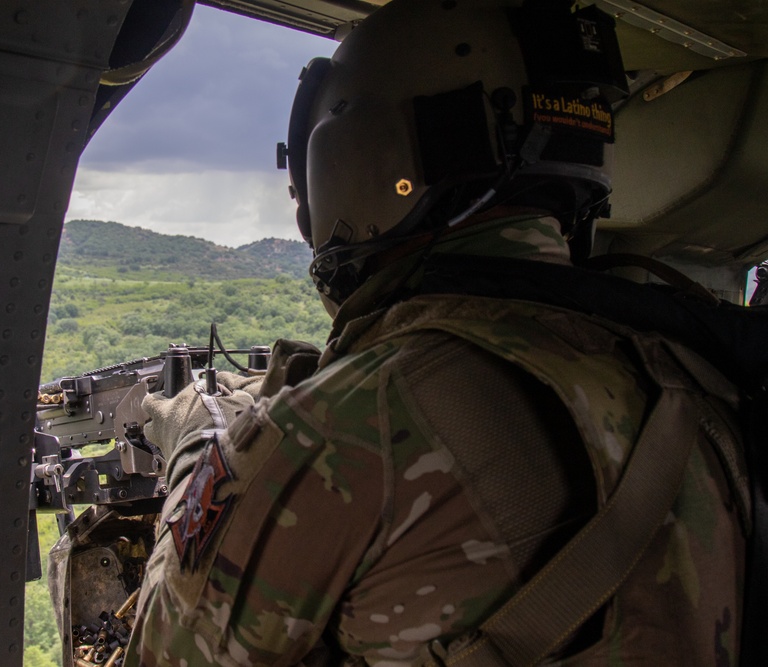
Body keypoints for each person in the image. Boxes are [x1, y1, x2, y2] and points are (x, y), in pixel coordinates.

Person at [124, 0, 748, 664]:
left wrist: (202, 447)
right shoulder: (683, 366)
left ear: (350, 159)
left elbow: (168, 647)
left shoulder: (356, 423)